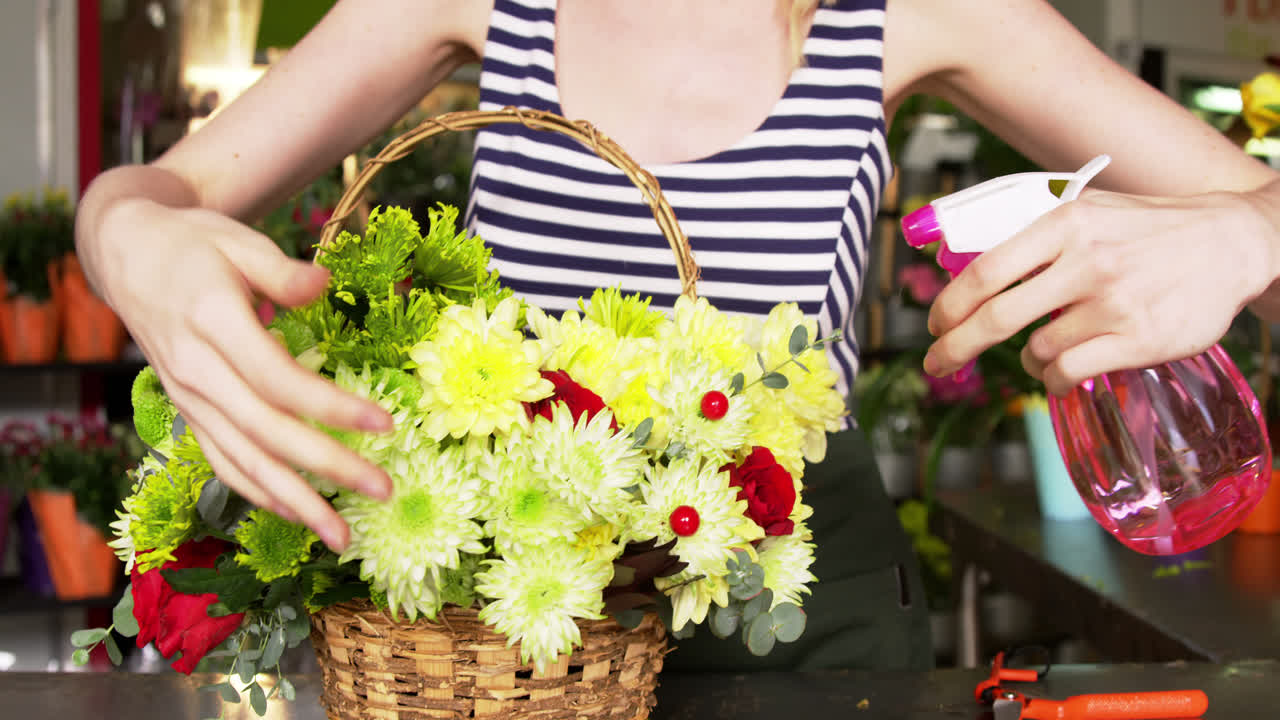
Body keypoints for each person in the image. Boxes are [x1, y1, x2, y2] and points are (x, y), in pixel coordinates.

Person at [73, 0, 1280, 671]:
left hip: (806, 628)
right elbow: (148, 196)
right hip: (514, 636)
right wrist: (132, 242)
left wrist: (1242, 238)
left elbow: (1259, 244)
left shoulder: (910, 8)